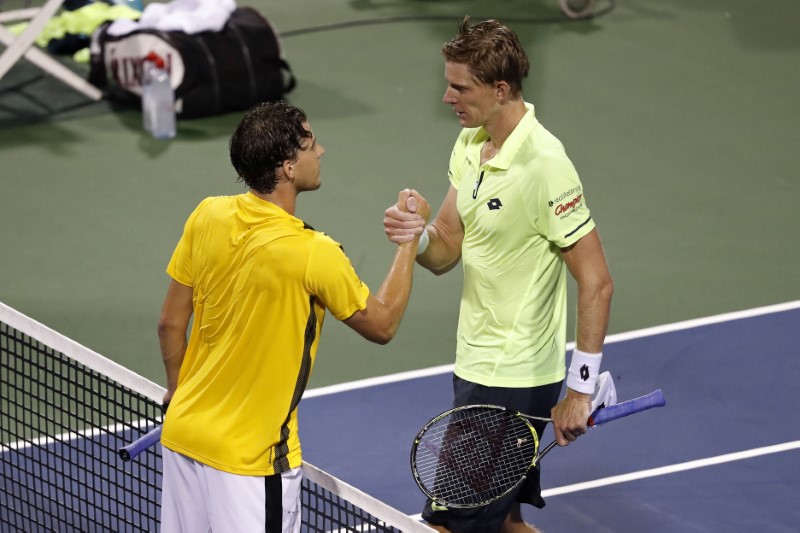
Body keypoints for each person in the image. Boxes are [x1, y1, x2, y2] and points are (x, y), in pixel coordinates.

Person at [383, 17, 613, 533]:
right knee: (504, 522)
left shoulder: (545, 166)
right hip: (476, 360)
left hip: (510, 378)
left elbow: (596, 280)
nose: (447, 97)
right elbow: (447, 245)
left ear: (500, 88)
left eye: (460, 86)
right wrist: (416, 235)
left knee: (448, 527)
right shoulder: (471, 145)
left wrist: (580, 388)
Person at [156, 100, 429, 533]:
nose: (320, 152)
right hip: (249, 464)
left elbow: (170, 324)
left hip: (183, 438)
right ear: (287, 166)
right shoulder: (313, 252)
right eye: (311, 145)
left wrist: (177, 392)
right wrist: (409, 240)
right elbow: (383, 324)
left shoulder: (206, 214)